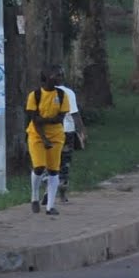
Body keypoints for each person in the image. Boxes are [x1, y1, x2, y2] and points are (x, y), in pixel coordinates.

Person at [25, 66, 70, 216]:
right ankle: (34, 196)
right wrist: (44, 138)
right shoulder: (35, 95)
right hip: (37, 136)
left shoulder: (62, 95)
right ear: (48, 77)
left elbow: (60, 118)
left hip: (56, 136)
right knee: (39, 167)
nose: (61, 77)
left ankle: (50, 206)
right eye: (58, 75)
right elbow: (34, 120)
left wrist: (44, 119)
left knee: (53, 170)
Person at [54, 66, 87, 204]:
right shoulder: (68, 93)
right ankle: (62, 192)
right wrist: (82, 131)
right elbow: (74, 114)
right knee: (65, 162)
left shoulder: (43, 92)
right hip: (67, 131)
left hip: (50, 132)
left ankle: (48, 188)